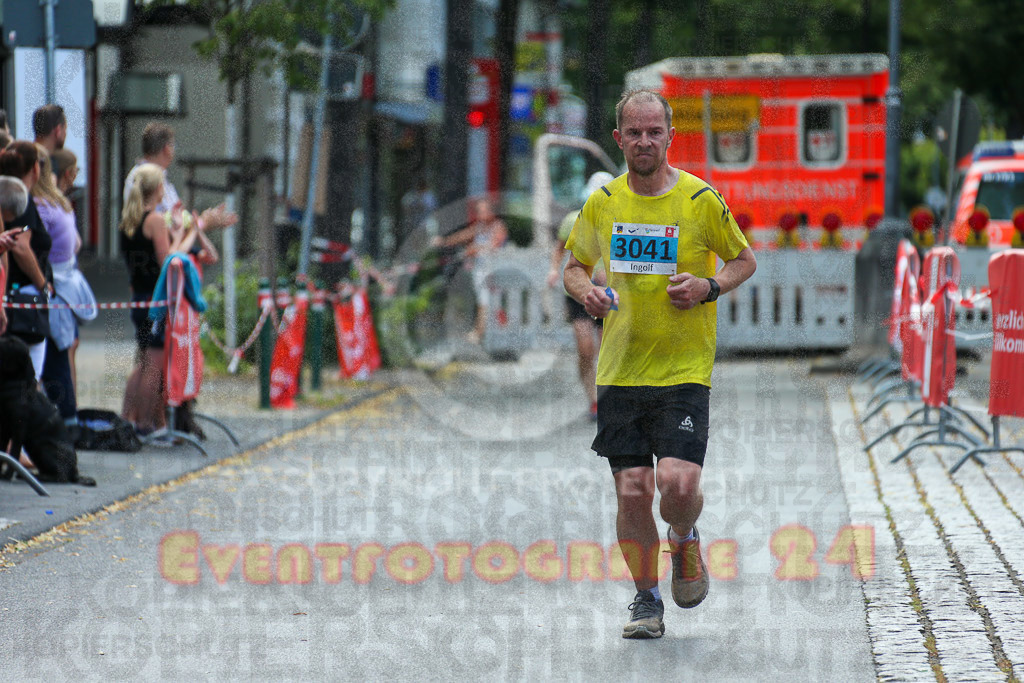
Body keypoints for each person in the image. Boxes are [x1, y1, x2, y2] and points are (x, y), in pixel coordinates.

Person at [563, 90, 756, 639]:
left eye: (655, 132)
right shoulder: (604, 204)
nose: (644, 141)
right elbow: (573, 265)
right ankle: (646, 599)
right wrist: (588, 294)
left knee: (676, 482)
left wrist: (708, 286)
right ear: (618, 138)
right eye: (634, 132)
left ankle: (685, 537)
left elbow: (744, 259)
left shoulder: (700, 201)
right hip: (620, 371)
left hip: (683, 371)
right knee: (632, 492)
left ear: (670, 136)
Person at [34, 145, 95, 429]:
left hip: (51, 288)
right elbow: (77, 244)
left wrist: (40, 282)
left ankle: (59, 420)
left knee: (50, 358)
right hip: (64, 285)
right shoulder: (60, 203)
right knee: (64, 351)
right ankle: (68, 416)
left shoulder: (41, 207)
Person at [548, 171, 615, 420]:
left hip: (609, 293)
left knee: (607, 350)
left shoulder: (621, 221)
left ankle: (608, 399)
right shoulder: (573, 219)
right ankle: (593, 401)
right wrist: (554, 270)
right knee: (586, 349)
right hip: (579, 292)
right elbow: (558, 250)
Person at [0, 142, 54, 381]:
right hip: (21, 297)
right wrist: (42, 284)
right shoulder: (20, 199)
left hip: (10, 295)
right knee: (29, 377)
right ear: (35, 168)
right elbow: (21, 247)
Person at [432, 198, 508, 342]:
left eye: (483, 210)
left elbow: (495, 245)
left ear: (491, 211)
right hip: (480, 270)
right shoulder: (479, 227)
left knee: (486, 302)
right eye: (479, 211)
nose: (480, 214)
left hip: (494, 272)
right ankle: (499, 333)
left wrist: (474, 249)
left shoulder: (498, 226)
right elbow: (462, 236)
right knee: (489, 303)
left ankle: (478, 333)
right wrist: (444, 241)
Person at [123, 122, 179, 215]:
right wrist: (201, 223)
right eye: (173, 146)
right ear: (167, 149)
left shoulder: (157, 175)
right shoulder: (142, 177)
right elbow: (160, 221)